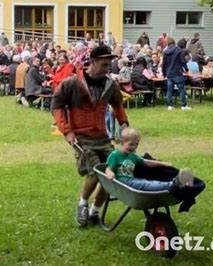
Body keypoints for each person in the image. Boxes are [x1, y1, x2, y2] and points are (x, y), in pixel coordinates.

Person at [51, 45, 129, 227]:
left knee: (112, 173)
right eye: (104, 65)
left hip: (102, 136)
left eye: (109, 65)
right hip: (81, 138)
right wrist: (67, 131)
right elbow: (57, 106)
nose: (107, 69)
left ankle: (95, 210)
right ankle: (83, 204)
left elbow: (117, 104)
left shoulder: (109, 84)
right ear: (92, 63)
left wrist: (124, 123)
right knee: (95, 172)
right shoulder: (72, 83)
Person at [105, 128, 194, 190]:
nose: (134, 147)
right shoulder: (115, 155)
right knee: (145, 184)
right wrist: (110, 174)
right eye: (131, 144)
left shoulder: (132, 156)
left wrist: (163, 164)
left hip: (132, 181)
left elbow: (146, 162)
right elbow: (108, 169)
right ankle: (172, 184)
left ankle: (176, 183)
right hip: (122, 182)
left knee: (146, 182)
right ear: (122, 142)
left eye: (136, 144)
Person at [162, 38, 191, 110]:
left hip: (169, 74)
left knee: (169, 90)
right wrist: (186, 69)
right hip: (177, 73)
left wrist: (164, 73)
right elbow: (182, 61)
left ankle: (169, 105)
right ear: (174, 43)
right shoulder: (178, 50)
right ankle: (183, 105)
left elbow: (164, 64)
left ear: (168, 44)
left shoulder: (165, 52)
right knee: (181, 89)